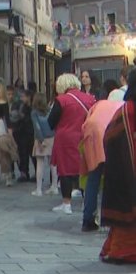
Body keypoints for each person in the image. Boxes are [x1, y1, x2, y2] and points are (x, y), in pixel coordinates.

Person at [100, 70, 136, 262]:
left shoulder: (127, 109)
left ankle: (120, 249)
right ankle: (123, 250)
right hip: (127, 169)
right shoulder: (128, 110)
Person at [48, 73, 96, 215]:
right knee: (83, 169)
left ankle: (66, 204)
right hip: (84, 137)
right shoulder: (89, 98)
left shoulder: (61, 100)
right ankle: (86, 202)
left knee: (65, 171)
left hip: (65, 139)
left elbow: (51, 122)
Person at [80, 97, 124, 232]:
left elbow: (87, 119)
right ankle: (111, 218)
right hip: (108, 133)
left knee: (94, 175)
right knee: (113, 178)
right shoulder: (123, 106)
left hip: (91, 130)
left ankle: (88, 219)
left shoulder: (101, 103)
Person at [30, 93, 56, 196]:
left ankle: (39, 189)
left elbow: (37, 127)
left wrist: (40, 140)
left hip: (41, 139)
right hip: (52, 137)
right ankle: (54, 186)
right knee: (53, 164)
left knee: (40, 164)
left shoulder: (34, 113)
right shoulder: (49, 110)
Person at [10, 88, 34, 182]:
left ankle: (35, 173)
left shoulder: (31, 106)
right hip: (21, 132)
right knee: (22, 154)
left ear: (28, 97)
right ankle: (24, 173)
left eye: (23, 96)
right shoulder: (20, 105)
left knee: (32, 154)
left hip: (30, 132)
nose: (21, 98)